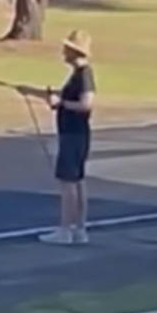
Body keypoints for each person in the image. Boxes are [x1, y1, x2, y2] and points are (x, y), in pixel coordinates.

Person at [39, 30, 96, 246]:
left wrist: (61, 104)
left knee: (69, 183)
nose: (63, 52)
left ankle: (66, 229)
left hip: (74, 133)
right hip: (74, 133)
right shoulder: (77, 75)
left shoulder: (84, 75)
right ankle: (79, 228)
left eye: (67, 48)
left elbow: (86, 104)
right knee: (78, 181)